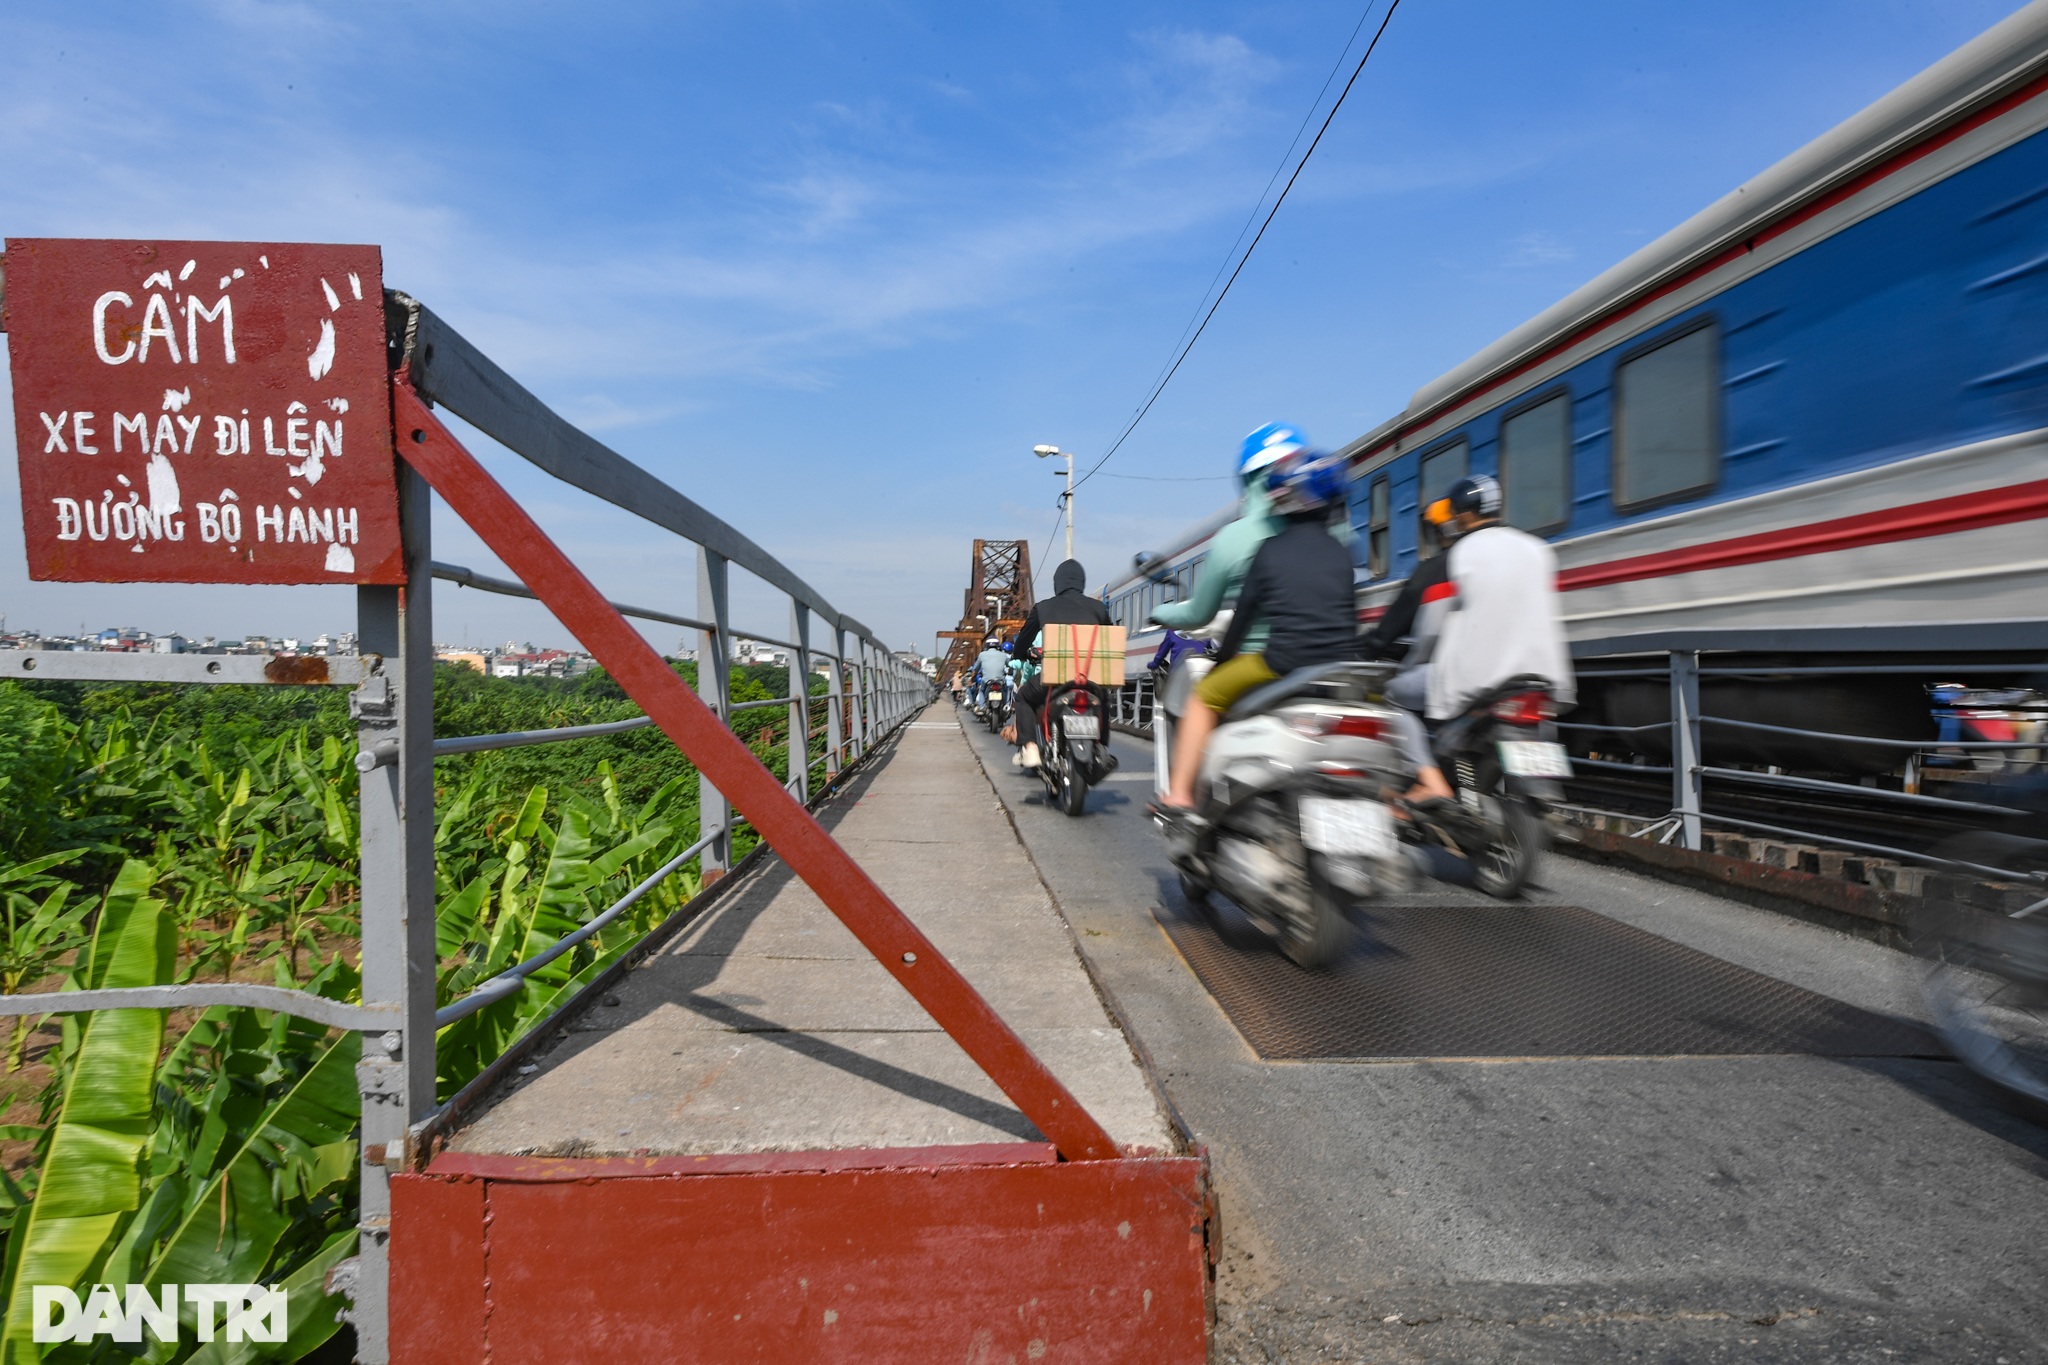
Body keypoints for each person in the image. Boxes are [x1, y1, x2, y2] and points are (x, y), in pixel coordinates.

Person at [1157, 447, 1358, 811]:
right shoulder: (1341, 551)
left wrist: (1223, 663)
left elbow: (1243, 617)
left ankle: (1180, 794)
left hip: (1282, 662)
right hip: (1339, 667)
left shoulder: (1269, 550)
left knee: (1202, 700)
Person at [1423, 474, 1575, 724]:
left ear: (1463, 514)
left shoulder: (1460, 553)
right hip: (1542, 678)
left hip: (1478, 683)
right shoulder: (1537, 548)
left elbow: (1431, 628)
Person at [1150, 422, 1309, 654]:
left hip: (1257, 662)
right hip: (1321, 665)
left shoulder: (1234, 537)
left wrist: (1160, 613)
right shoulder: (1332, 531)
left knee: (1203, 691)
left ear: (1247, 478)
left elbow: (1198, 615)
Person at [1005, 559, 1113, 769]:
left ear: (1058, 583)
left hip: (1056, 679)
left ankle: (1030, 747)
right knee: (1104, 699)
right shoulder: (1098, 608)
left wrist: (1020, 653)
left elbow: (1024, 639)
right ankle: (1101, 748)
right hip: (1090, 678)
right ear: (1081, 582)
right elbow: (1109, 638)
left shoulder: (1044, 607)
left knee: (1023, 697)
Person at [973, 636, 1008, 711]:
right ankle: (1006, 705)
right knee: (1006, 690)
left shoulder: (982, 655)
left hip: (986, 680)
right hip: (1000, 680)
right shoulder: (1003, 655)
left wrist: (974, 675)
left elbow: (975, 668)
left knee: (981, 691)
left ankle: (982, 707)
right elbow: (1010, 665)